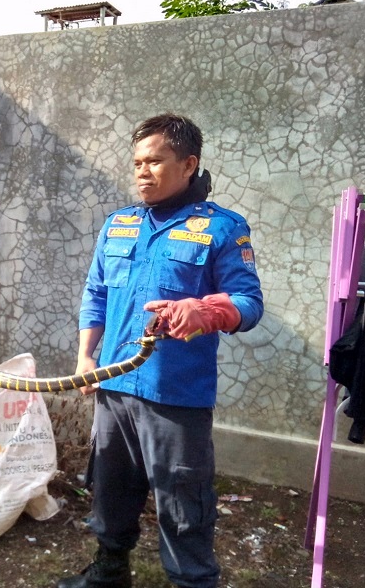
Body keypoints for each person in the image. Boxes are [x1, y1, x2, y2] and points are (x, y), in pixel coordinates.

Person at [59, 114, 263, 588]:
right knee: (110, 489)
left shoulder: (222, 229)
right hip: (113, 386)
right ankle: (110, 571)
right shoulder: (119, 224)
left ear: (189, 164)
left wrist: (206, 311)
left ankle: (192, 581)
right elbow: (96, 295)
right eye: (137, 162)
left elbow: (249, 302)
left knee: (181, 501)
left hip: (175, 396)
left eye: (155, 161)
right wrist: (85, 359)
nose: (142, 172)